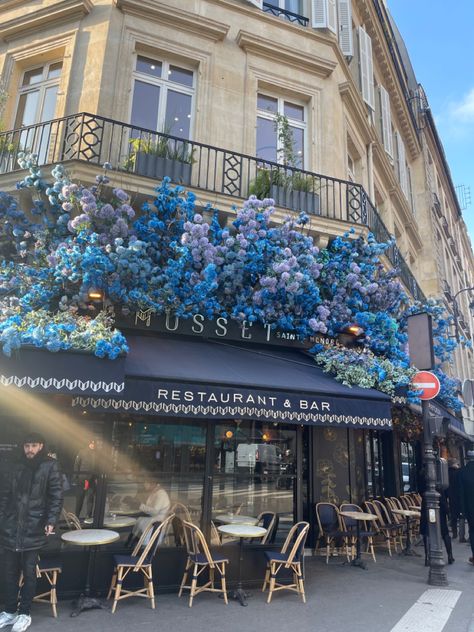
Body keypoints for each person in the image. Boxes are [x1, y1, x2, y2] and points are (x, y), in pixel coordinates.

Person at [0, 432, 63, 632]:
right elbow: (4, 495)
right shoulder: (14, 464)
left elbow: (56, 496)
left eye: (34, 445)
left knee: (28, 573)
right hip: (10, 528)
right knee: (8, 573)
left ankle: (24, 613)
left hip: (34, 528)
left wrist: (51, 520)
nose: (30, 450)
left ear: (41, 446)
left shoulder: (50, 465)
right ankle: (10, 612)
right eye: (27, 446)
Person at [129, 478, 170, 544]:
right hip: (151, 521)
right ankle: (133, 542)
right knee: (137, 521)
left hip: (155, 526)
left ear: (152, 483)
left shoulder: (161, 494)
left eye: (146, 482)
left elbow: (154, 511)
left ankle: (137, 543)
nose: (144, 485)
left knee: (137, 522)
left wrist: (139, 505)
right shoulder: (154, 492)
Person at [73, 439, 97, 519]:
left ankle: (89, 516)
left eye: (94, 443)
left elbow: (98, 467)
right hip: (82, 479)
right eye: (91, 443)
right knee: (80, 498)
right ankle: (76, 516)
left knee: (90, 498)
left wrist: (96, 478)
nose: (93, 445)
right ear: (88, 444)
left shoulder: (96, 453)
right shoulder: (82, 452)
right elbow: (76, 464)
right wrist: (76, 477)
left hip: (92, 479)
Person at [459, 449, 474, 565]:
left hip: (470, 509)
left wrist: (462, 511)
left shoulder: (463, 472)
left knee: (472, 532)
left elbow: (461, 494)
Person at [447, 458, 462, 539]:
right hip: (459, 496)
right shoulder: (459, 472)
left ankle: (454, 533)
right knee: (461, 516)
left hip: (451, 497)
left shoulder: (446, 473)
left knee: (453, 517)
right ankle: (461, 535)